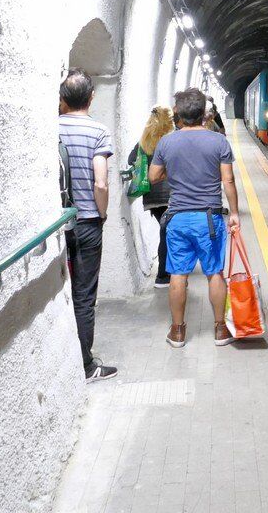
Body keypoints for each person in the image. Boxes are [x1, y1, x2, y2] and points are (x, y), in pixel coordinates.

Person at [148, 87, 240, 347]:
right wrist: (233, 213)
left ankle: (177, 331)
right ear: (203, 113)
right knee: (214, 273)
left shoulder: (167, 141)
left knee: (178, 275)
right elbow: (228, 180)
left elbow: (153, 177)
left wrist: (175, 175)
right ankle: (220, 329)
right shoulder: (218, 141)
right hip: (209, 219)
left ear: (177, 113)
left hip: (177, 218)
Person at [58, 69, 118, 382]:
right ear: (91, 98)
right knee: (84, 294)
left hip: (59, 223)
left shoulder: (50, 128)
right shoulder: (98, 131)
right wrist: (102, 213)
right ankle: (86, 364)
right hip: (88, 223)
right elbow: (102, 182)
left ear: (62, 99)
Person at [127, 106, 174, 288]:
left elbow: (132, 160)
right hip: (171, 195)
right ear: (168, 121)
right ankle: (163, 275)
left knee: (167, 231)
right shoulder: (171, 140)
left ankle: (167, 273)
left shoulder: (144, 141)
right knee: (168, 233)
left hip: (151, 197)